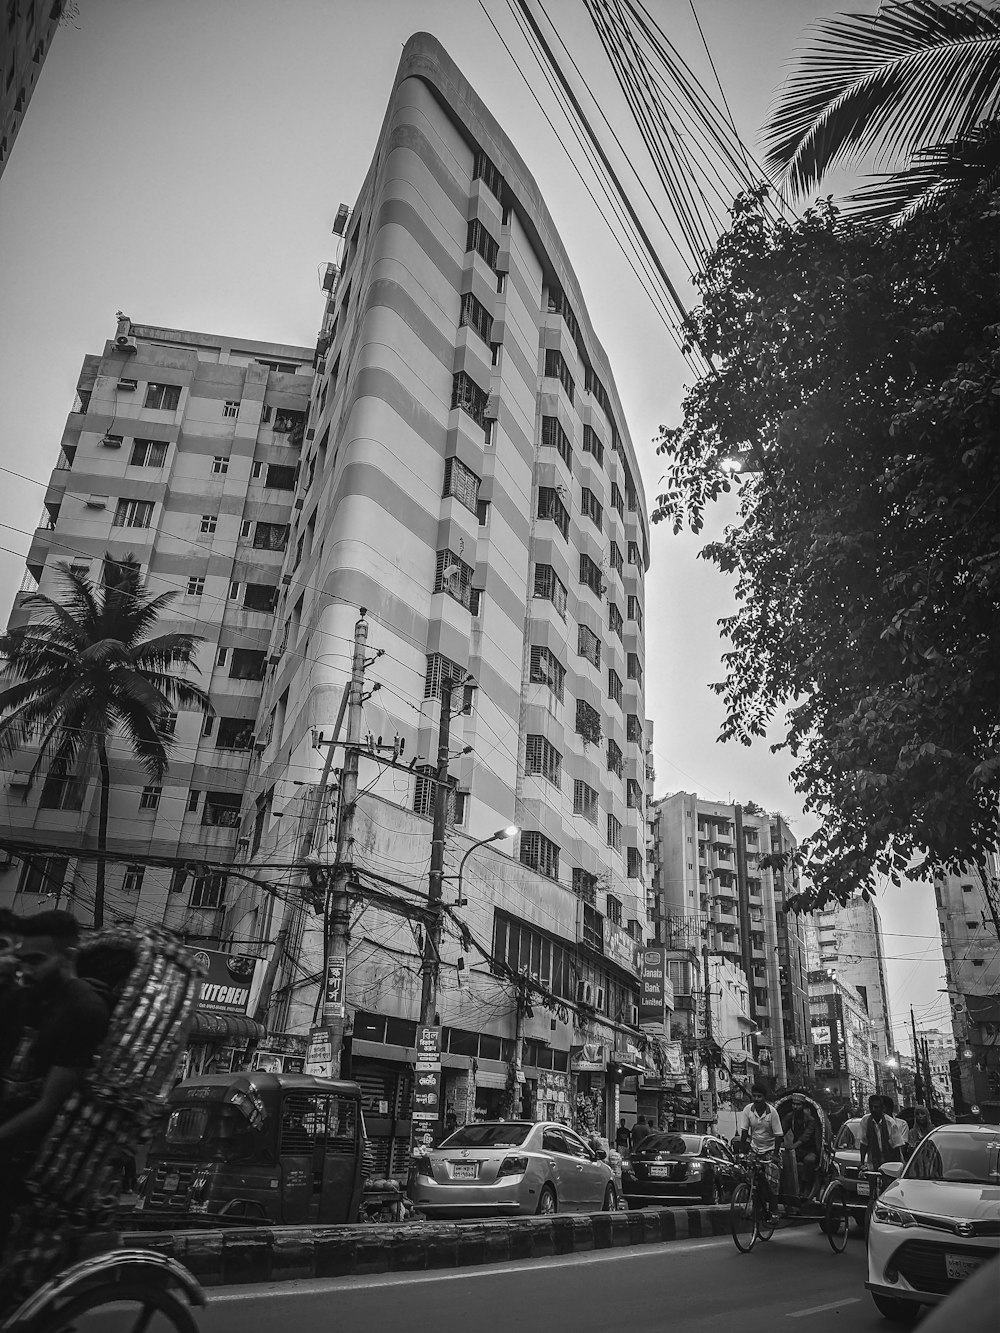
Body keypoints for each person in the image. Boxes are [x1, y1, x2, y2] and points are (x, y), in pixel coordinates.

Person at [0, 911, 111, 1243]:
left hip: (30, 1154)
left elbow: (49, 1106)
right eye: (23, 960)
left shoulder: (83, 1009)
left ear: (68, 957)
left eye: (37, 960)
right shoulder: (23, 995)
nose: (27, 969)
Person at [737, 1085, 783, 1220]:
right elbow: (744, 1132)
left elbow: (778, 1135)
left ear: (764, 1098)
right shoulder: (747, 1110)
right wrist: (741, 1152)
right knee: (750, 1179)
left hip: (770, 1149)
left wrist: (775, 1156)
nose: (756, 1099)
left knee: (772, 1180)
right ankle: (755, 1207)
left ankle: (774, 1211)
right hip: (754, 1148)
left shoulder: (772, 1112)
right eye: (754, 1096)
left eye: (759, 1096)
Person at [782, 1092, 822, 1196]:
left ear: (803, 1106)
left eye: (798, 1104)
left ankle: (806, 1187)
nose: (795, 1107)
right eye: (793, 1104)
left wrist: (792, 1147)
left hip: (810, 1150)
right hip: (797, 1150)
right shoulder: (790, 1117)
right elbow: (781, 1132)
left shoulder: (810, 1120)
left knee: (809, 1160)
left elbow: (805, 1137)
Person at [859, 1095, 901, 1170]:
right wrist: (862, 1163)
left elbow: (896, 1147)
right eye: (871, 1107)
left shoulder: (890, 1123)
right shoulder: (865, 1120)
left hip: (889, 1164)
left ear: (882, 1108)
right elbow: (864, 1143)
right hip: (872, 1164)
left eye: (876, 1107)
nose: (873, 1109)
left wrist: (897, 1166)